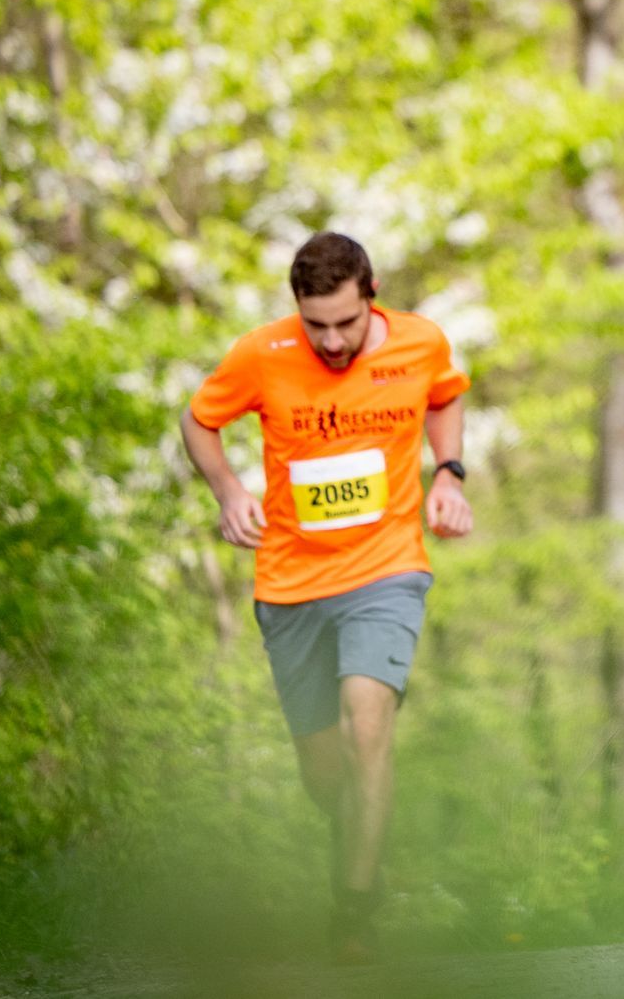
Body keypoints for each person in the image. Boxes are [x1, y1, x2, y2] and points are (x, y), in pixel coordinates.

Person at [181, 232, 473, 964]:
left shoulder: (419, 342)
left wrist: (450, 474)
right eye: (318, 325)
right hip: (290, 584)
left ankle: (355, 911)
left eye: (346, 322)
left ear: (370, 294)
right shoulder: (262, 354)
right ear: (298, 310)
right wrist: (229, 490)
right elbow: (198, 420)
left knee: (367, 724)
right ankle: (361, 842)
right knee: (325, 772)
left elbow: (444, 397)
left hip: (387, 569)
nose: (334, 341)